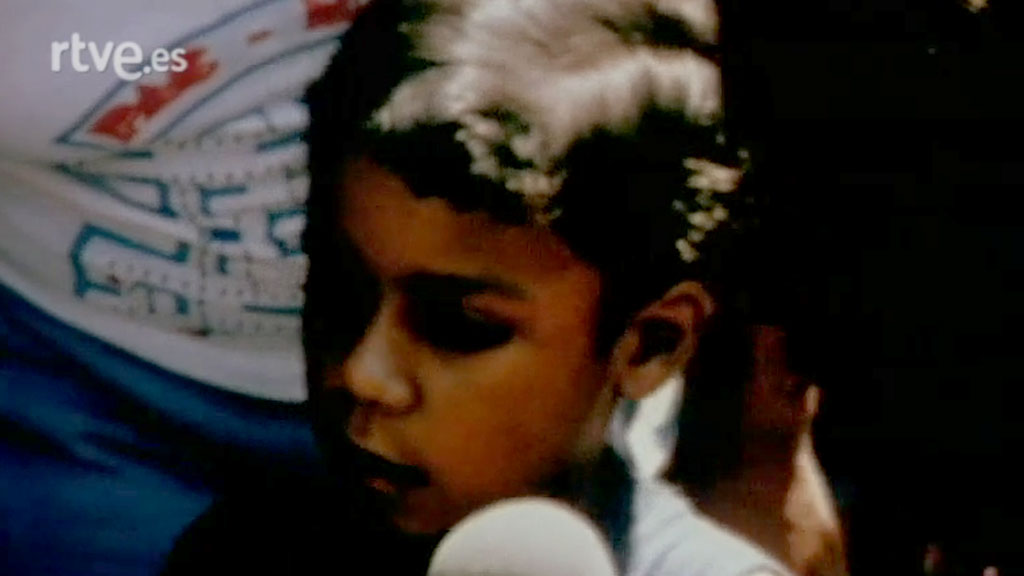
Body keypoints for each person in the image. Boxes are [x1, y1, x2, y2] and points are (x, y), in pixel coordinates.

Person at [165, 0, 796, 574]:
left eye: (458, 327)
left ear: (649, 344)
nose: (363, 375)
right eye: (341, 293)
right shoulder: (246, 549)